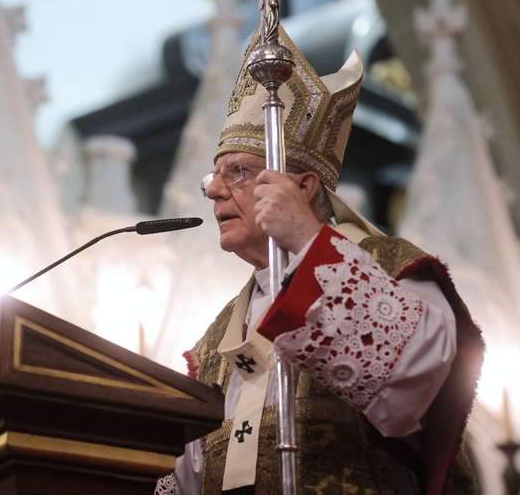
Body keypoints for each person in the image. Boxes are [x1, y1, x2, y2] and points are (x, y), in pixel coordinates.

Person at [156, 26, 484, 495]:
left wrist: (304, 237)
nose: (214, 191)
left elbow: (419, 379)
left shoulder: (391, 267)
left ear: (303, 188)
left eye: (239, 171)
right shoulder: (216, 340)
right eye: (214, 177)